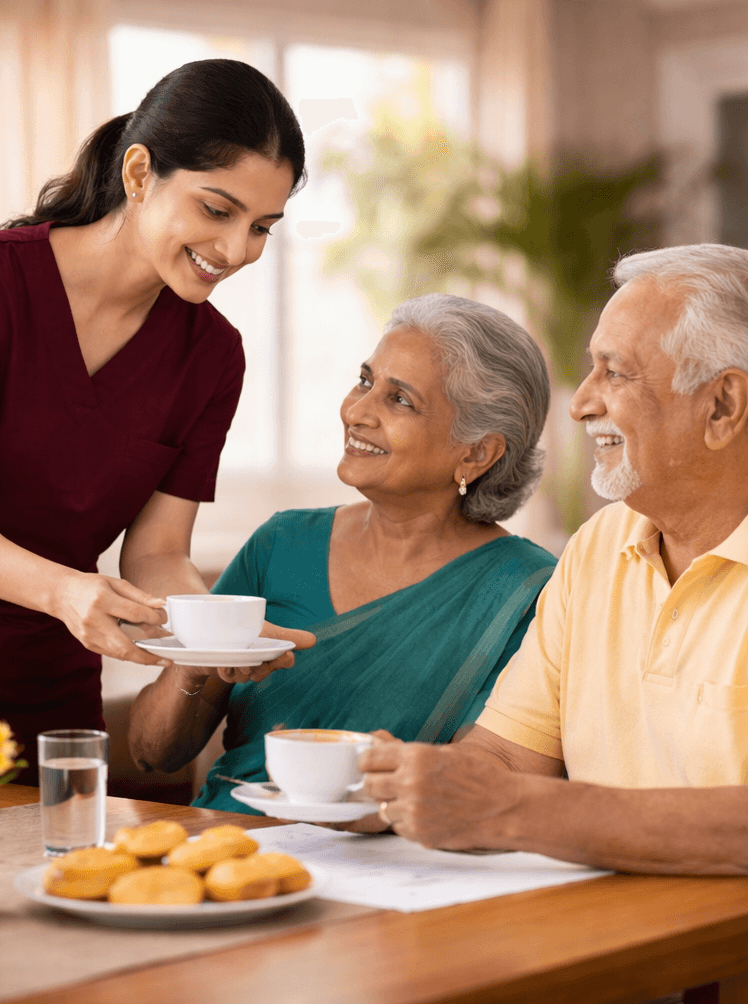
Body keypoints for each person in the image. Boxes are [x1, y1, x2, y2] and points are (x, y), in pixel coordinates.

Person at [360, 246, 748, 1004]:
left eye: (615, 373)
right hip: (611, 952)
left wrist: (500, 809)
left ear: (722, 407)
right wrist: (405, 787)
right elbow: (508, 758)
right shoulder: (599, 547)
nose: (580, 404)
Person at [0, 59, 313, 785]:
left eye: (262, 226)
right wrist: (67, 593)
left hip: (45, 688)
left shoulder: (212, 356)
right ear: (140, 173)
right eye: (216, 210)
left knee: (54, 881)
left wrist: (216, 634)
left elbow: (158, 554)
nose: (237, 251)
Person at [127, 294, 558, 813]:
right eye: (364, 380)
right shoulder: (282, 544)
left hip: (399, 865)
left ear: (476, 452)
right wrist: (195, 665)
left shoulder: (529, 592)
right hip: (227, 849)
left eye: (400, 400)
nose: (356, 412)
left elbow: (494, 778)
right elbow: (151, 753)